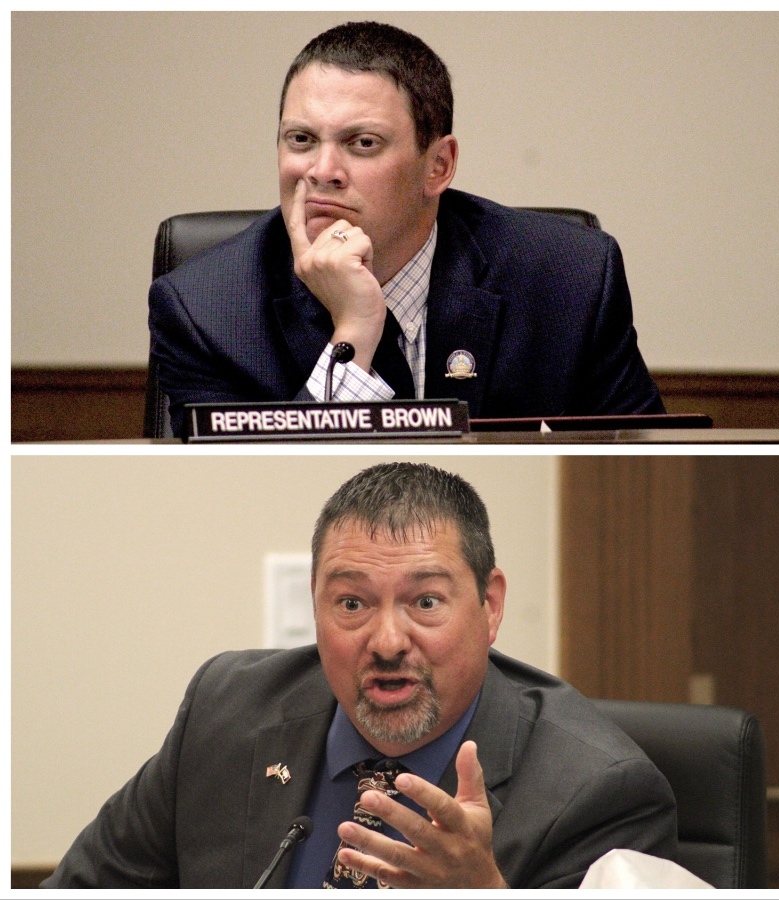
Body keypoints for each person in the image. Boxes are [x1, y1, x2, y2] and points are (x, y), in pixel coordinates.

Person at [43, 463, 677, 888]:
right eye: (352, 603)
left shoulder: (599, 794)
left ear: (490, 606)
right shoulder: (226, 709)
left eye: (425, 602)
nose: (388, 642)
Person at [149, 22, 664, 427]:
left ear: (438, 166)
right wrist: (354, 333)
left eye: (362, 143)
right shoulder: (205, 311)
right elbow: (255, 492)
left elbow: (641, 461)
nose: (322, 171)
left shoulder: (569, 278)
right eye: (301, 139)